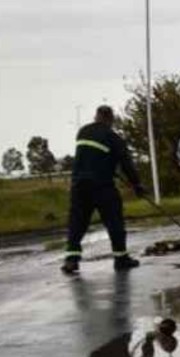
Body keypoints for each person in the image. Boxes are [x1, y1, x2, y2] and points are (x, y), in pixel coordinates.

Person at [62, 105, 146, 275]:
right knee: (114, 221)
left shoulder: (83, 132)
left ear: (96, 116)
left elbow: (92, 155)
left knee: (77, 223)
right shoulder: (113, 138)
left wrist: (107, 163)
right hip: (102, 186)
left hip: (79, 185)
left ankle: (71, 260)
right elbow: (126, 164)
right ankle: (121, 259)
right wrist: (137, 185)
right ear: (110, 119)